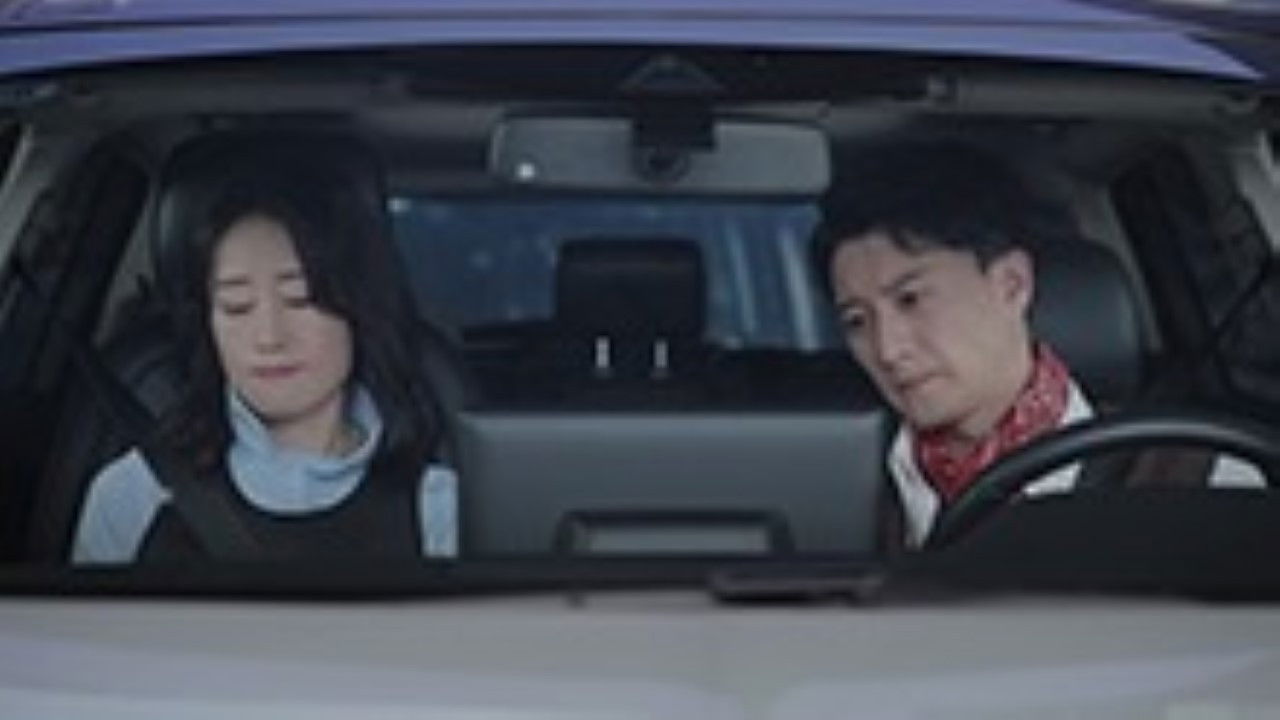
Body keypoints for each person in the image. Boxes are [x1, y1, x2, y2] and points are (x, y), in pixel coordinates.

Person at [73, 135, 458, 564]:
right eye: (236, 306)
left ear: (357, 307)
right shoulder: (134, 494)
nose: (270, 337)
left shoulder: (435, 505)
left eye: (301, 299)